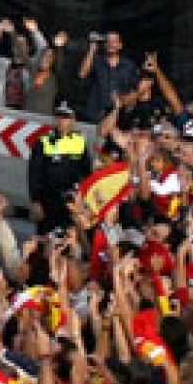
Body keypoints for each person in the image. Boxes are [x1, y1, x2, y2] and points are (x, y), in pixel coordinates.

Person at [27, 104, 91, 233]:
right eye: (59, 117)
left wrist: (84, 201)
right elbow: (34, 174)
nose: (62, 121)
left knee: (68, 238)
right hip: (48, 200)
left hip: (70, 201)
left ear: (73, 121)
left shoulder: (80, 141)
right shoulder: (44, 141)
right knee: (45, 238)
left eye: (66, 118)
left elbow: (86, 172)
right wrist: (35, 201)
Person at [79, 31, 138, 123]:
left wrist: (124, 101)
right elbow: (82, 74)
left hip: (119, 116)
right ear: (105, 45)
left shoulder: (128, 65)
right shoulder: (97, 60)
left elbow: (134, 91)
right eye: (108, 41)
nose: (111, 44)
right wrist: (92, 49)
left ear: (120, 45)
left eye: (114, 41)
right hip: (96, 114)